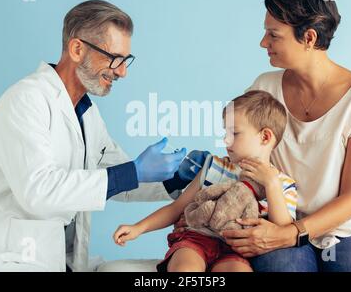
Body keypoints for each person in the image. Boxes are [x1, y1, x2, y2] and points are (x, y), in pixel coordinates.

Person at [0, 0, 204, 272]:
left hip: (63, 259)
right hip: (5, 259)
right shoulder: (25, 101)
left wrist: (176, 178)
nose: (122, 71)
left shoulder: (86, 113)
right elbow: (38, 192)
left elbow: (119, 177)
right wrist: (132, 171)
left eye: (126, 60)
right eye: (115, 59)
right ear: (77, 49)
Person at [188, 0, 351, 272]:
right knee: (284, 266)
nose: (263, 42)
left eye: (273, 34)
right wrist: (191, 192)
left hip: (346, 232)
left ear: (308, 38)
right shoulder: (264, 88)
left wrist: (292, 233)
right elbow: (240, 159)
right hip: (276, 219)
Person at [113, 90, 298, 272]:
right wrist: (138, 228)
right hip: (195, 239)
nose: (225, 139)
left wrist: (271, 185)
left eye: (234, 133)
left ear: (265, 137)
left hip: (236, 251)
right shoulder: (214, 167)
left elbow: (281, 231)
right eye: (225, 132)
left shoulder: (283, 184)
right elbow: (177, 209)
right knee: (186, 269)